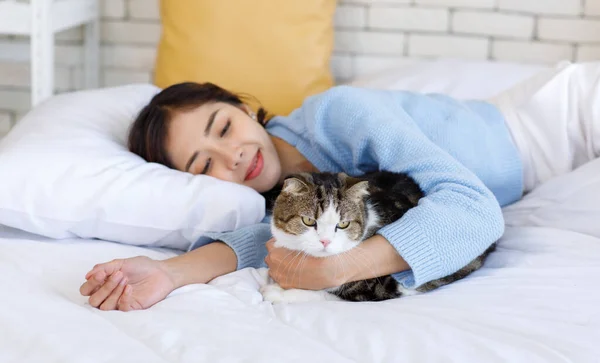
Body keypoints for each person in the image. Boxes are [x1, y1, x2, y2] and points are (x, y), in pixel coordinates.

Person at [79, 61, 600, 311]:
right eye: (203, 164)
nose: (232, 155)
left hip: (560, 118)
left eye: (223, 127)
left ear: (242, 107)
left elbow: (476, 212)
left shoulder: (340, 114)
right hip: (540, 168)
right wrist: (166, 273)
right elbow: (259, 244)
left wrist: (341, 266)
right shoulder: (282, 198)